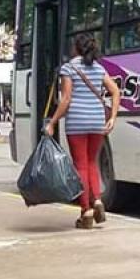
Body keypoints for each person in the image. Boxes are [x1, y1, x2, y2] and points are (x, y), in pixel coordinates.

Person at [45, 33, 121, 229]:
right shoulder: (99, 68)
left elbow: (66, 99)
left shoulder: (69, 68)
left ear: (76, 48)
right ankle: (97, 200)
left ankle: (86, 211)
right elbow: (115, 91)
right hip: (97, 122)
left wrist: (52, 122)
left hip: (77, 122)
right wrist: (112, 117)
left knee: (81, 166)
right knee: (91, 163)